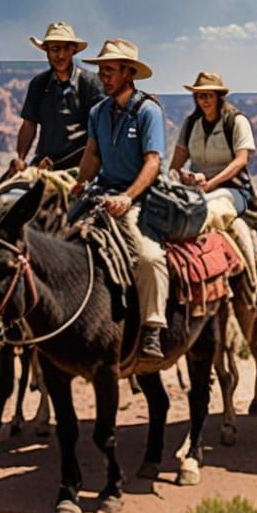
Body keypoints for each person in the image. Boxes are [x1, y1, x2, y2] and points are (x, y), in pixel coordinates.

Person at [73, 38, 170, 362]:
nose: (103, 76)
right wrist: (80, 183)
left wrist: (127, 198)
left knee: (148, 257)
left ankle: (153, 329)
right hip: (101, 192)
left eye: (110, 70)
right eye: (101, 70)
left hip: (138, 196)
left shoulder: (148, 111)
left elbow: (153, 162)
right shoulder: (98, 111)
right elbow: (92, 153)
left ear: (129, 73)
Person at [10, 21, 103, 174]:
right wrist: (21, 158)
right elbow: (29, 125)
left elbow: (101, 129)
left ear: (73, 50)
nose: (61, 55)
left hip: (82, 163)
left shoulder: (91, 83)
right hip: (44, 162)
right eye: (55, 49)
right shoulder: (38, 84)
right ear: (47, 51)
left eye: (66, 48)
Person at [169, 71, 256, 217]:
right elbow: (176, 164)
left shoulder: (236, 122)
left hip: (231, 189)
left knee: (209, 206)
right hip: (196, 188)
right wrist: (178, 177)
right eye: (201, 96)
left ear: (218, 97)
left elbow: (241, 160)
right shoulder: (190, 124)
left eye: (210, 95)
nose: (205, 100)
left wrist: (211, 184)